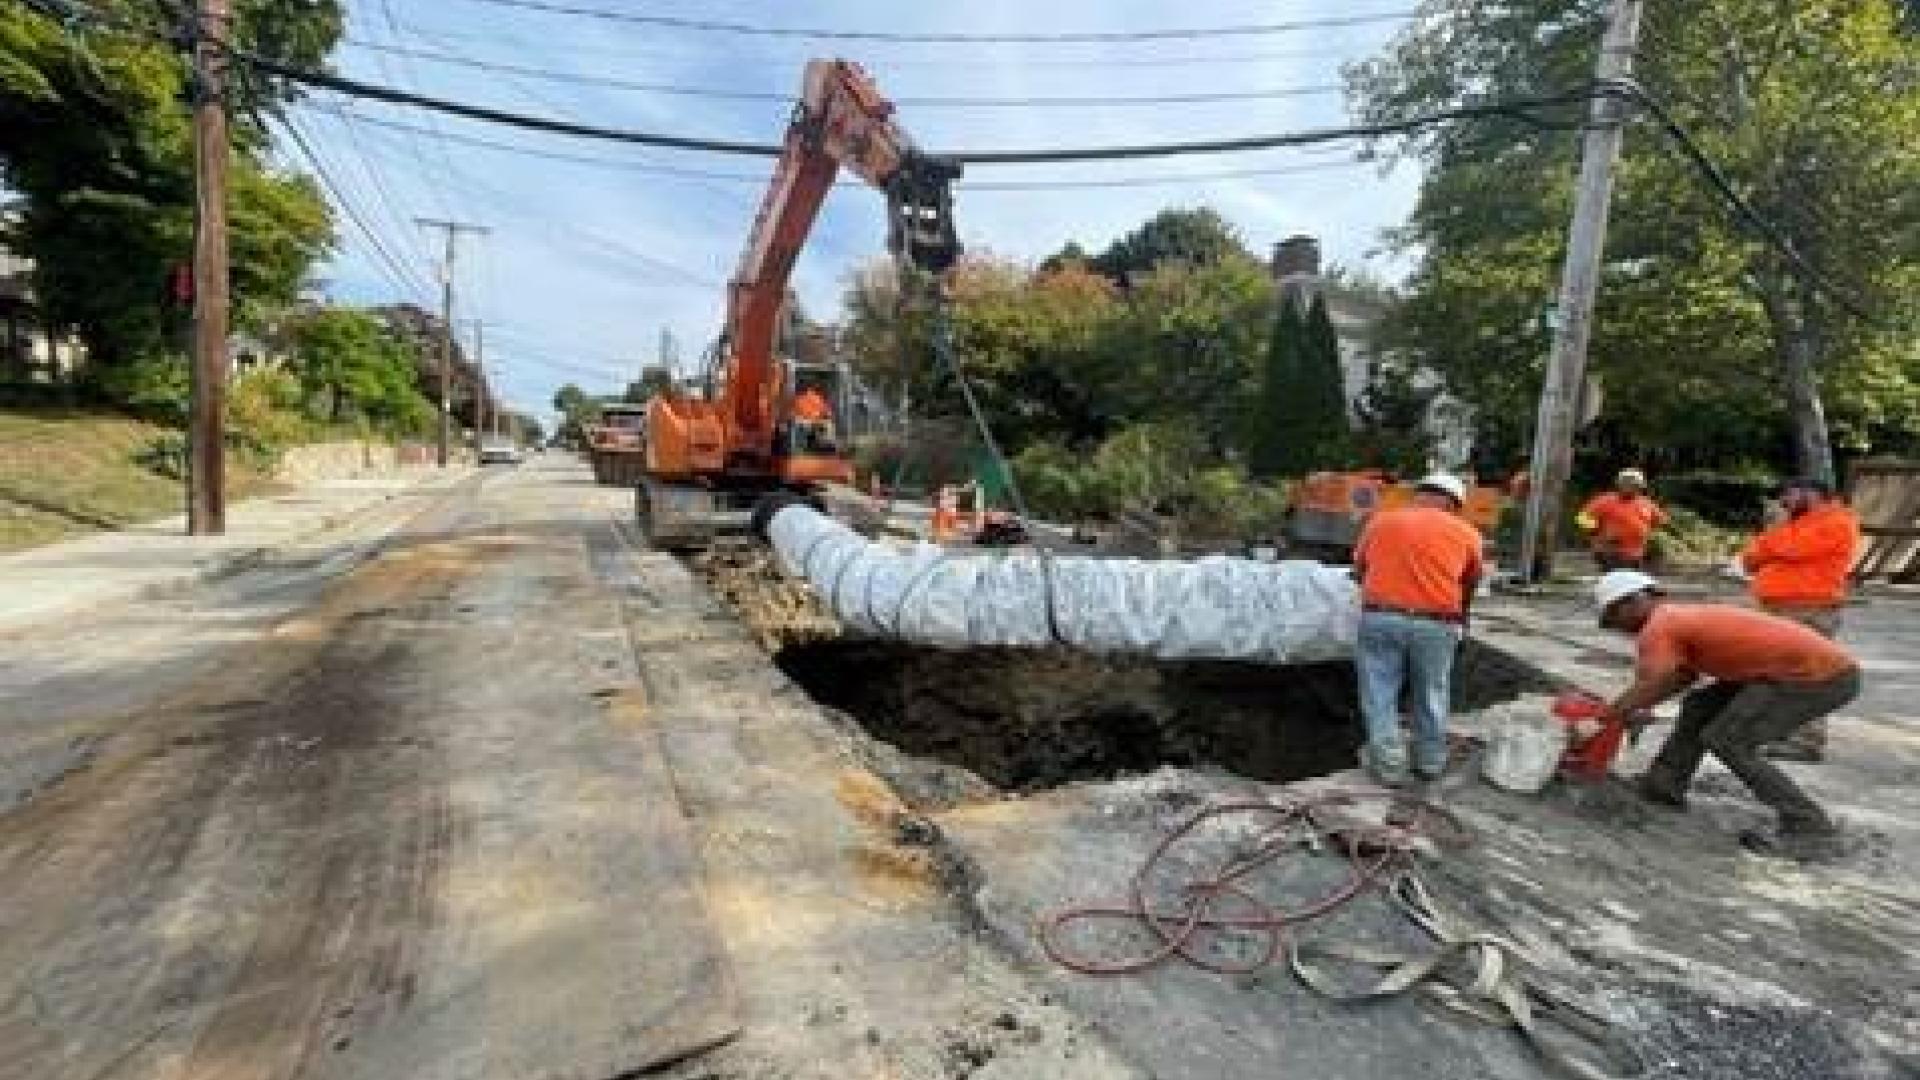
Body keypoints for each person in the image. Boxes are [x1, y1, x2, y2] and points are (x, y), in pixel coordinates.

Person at [1593, 570, 1861, 860]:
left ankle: (1809, 826)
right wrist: (1633, 709)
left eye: (1613, 619)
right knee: (1700, 705)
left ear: (1632, 601)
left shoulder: (1661, 623)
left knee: (1729, 740)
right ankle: (1664, 785)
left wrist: (1604, 718)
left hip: (1816, 678)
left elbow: (1653, 681)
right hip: (1792, 671)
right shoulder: (1678, 617)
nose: (1620, 629)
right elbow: (1679, 678)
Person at [1351, 473, 1485, 784]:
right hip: (1437, 623)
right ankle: (1429, 763)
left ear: (1418, 494)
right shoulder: (1467, 533)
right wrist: (1462, 619)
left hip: (1381, 618)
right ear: (1453, 504)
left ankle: (1389, 767)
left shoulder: (1380, 522)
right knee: (1431, 693)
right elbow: (1470, 582)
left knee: (1379, 693)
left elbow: (1359, 570)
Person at [1741, 477, 1862, 762]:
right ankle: (1784, 730)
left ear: (1812, 494)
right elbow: (1750, 559)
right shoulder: (1796, 524)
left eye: (1789, 495)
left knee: (1807, 674)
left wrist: (1772, 539)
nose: (1783, 502)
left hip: (1811, 609)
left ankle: (1806, 740)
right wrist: (1772, 544)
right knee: (1778, 674)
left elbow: (1787, 549)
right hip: (1780, 609)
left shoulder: (1837, 521)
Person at [1577, 468, 1667, 571]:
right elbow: (1582, 518)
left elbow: (1660, 521)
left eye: (1634, 484)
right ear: (1619, 484)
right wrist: (1596, 533)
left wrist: (1650, 536)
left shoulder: (1646, 503)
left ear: (1640, 486)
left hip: (1637, 553)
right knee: (1617, 580)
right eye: (1626, 483)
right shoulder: (1605, 500)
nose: (1630, 486)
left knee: (1633, 582)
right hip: (1611, 552)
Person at [791, 382, 835, 452]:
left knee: (829, 424)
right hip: (805, 420)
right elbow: (794, 412)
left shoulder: (819, 399)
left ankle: (828, 444)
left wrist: (826, 416)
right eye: (809, 390)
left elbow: (826, 411)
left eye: (812, 390)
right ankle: (801, 445)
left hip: (816, 420)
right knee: (801, 423)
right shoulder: (800, 399)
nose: (811, 392)